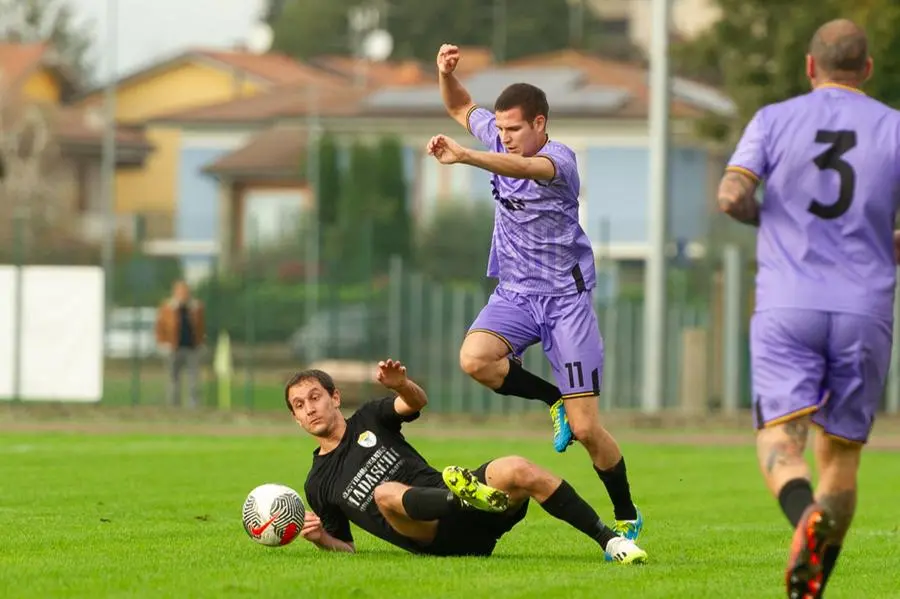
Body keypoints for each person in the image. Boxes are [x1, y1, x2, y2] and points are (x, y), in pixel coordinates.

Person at [428, 43, 643, 542]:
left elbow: (525, 171)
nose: (505, 139)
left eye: (514, 130)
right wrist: (444, 74)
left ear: (540, 124)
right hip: (517, 293)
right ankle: (553, 399)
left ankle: (628, 516)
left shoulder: (558, 160)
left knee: (589, 430)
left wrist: (465, 157)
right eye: (500, 130)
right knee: (475, 359)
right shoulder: (499, 138)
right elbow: (460, 105)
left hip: (565, 302)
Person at [717, 19, 900, 599]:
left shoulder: (774, 119)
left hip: (787, 303)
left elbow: (732, 195)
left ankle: (804, 519)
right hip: (864, 307)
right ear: (866, 69)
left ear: (809, 66)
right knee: (840, 454)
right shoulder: (894, 128)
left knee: (780, 437)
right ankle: (810, 583)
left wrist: (760, 214)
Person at [292, 358, 647, 563]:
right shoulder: (318, 483)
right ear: (296, 418)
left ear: (335, 398)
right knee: (384, 494)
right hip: (433, 538)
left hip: (472, 515)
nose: (310, 409)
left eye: (315, 397)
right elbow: (347, 548)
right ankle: (463, 496)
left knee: (519, 467)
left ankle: (611, 542)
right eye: (300, 405)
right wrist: (321, 537)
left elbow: (415, 403)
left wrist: (402, 385)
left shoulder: (369, 418)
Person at [155, 280, 205, 407]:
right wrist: (163, 343)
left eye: (185, 291)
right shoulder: (167, 307)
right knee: (173, 379)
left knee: (193, 379)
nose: (183, 294)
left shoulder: (196, 307)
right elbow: (160, 327)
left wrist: (200, 343)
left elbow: (200, 327)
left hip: (191, 349)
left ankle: (193, 406)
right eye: (180, 291)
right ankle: (173, 406)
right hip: (173, 349)